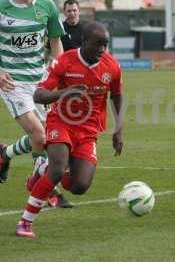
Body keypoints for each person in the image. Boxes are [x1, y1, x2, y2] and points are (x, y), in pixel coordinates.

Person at [15, 21, 124, 238]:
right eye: (97, 44)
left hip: (89, 130)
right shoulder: (64, 61)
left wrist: (118, 129)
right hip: (61, 122)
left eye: (106, 44)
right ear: (84, 43)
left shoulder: (112, 66)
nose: (102, 50)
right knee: (57, 170)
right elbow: (39, 95)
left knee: (80, 186)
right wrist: (65, 93)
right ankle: (25, 223)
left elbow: (117, 95)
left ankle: (41, 171)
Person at [0, 0, 71, 207]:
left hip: (40, 83)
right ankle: (46, 188)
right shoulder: (1, 8)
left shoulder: (47, 6)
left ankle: (4, 154)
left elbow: (55, 43)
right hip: (12, 83)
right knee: (39, 134)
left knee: (47, 138)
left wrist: (59, 73)